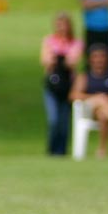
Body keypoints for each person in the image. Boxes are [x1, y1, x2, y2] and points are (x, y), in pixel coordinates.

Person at [40, 12, 82, 157]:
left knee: (64, 121)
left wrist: (58, 55)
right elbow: (46, 60)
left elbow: (72, 62)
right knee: (54, 119)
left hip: (68, 85)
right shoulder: (49, 41)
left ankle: (62, 151)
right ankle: (52, 150)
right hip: (52, 85)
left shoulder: (75, 42)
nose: (61, 28)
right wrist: (59, 56)